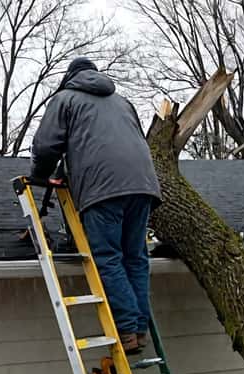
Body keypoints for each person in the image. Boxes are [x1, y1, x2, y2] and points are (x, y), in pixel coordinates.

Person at [30, 57, 161, 355]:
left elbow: (47, 145)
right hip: (143, 185)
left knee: (108, 257)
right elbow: (111, 143)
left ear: (70, 77)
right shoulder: (122, 102)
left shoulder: (65, 99)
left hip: (104, 189)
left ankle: (126, 328)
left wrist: (39, 175)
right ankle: (139, 330)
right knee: (135, 258)